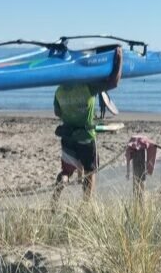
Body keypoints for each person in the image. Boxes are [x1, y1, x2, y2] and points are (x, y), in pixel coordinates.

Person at [53, 47, 123, 200]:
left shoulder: (59, 90)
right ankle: (86, 204)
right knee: (90, 171)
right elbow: (113, 82)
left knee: (66, 172)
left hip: (68, 137)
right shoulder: (87, 87)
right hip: (86, 137)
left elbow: (57, 113)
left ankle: (55, 200)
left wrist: (71, 111)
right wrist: (119, 59)